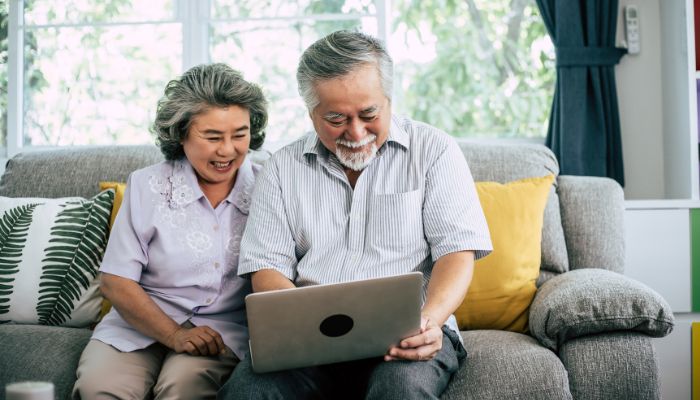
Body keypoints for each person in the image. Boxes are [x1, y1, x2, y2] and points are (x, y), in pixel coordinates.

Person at [218, 31, 492, 400]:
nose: (356, 132)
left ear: (389, 100)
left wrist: (429, 322)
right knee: (247, 393)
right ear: (310, 111)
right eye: (336, 118)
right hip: (306, 340)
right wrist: (304, 327)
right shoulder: (281, 168)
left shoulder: (434, 151)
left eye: (369, 114)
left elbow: (457, 252)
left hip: (411, 333)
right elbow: (266, 267)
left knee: (400, 389)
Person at [72, 63, 268, 400]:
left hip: (223, 333)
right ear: (180, 134)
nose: (228, 150)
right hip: (138, 323)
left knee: (184, 388)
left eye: (240, 134)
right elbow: (116, 280)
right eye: (212, 136)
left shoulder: (270, 186)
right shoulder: (147, 185)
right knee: (99, 388)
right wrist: (175, 334)